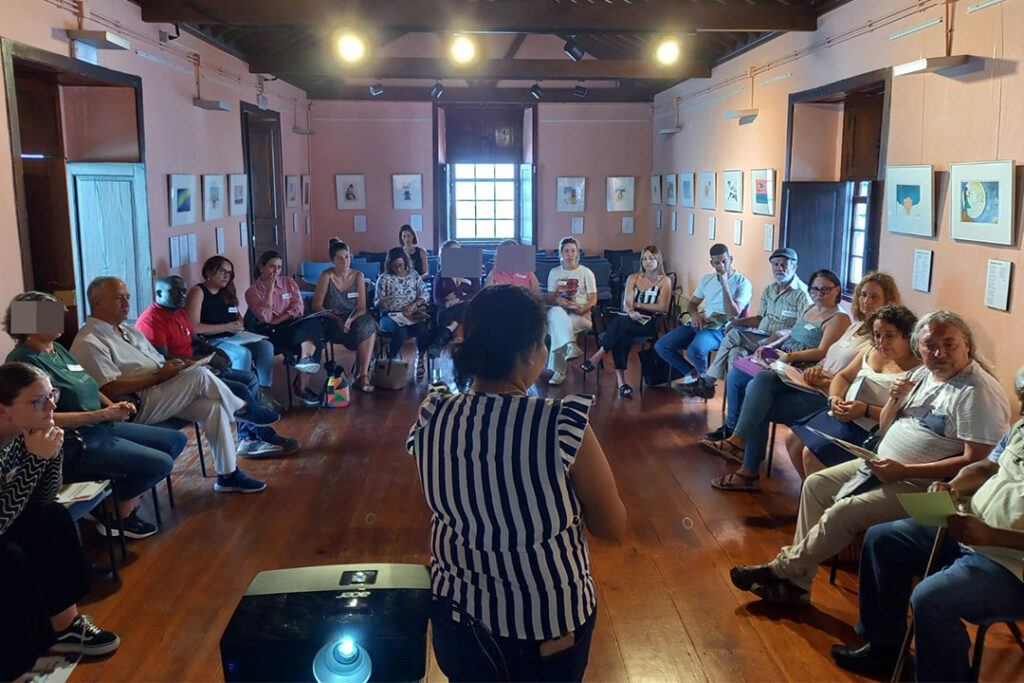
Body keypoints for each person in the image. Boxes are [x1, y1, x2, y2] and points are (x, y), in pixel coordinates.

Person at [407, 285, 625, 681]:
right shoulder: (560, 424)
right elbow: (612, 526)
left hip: (457, 619)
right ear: (530, 352)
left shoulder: (432, 413)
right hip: (547, 629)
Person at [730, 310, 1011, 606]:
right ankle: (798, 584)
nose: (939, 353)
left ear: (966, 343)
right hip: (883, 464)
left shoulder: (976, 392)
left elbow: (979, 463)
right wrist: (895, 400)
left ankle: (782, 570)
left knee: (843, 512)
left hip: (925, 486)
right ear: (919, 347)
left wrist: (905, 470)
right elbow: (887, 425)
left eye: (949, 344)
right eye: (930, 346)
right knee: (815, 485)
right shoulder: (923, 374)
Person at [830, 366, 1024, 681]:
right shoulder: (1021, 428)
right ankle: (884, 649)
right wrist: (954, 486)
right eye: (1021, 398)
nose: (1022, 409)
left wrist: (992, 535)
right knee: (883, 540)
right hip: (973, 534)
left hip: (1012, 565)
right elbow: (986, 467)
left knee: (931, 599)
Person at [5, 291, 188, 539]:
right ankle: (117, 515)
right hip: (76, 437)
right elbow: (43, 418)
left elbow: (87, 381)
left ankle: (113, 504)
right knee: (160, 463)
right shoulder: (23, 361)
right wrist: (102, 414)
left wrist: (113, 407)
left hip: (101, 424)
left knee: (176, 440)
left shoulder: (57, 348)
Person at [70, 276, 267, 494]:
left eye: (128, 297)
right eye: (118, 299)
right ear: (96, 302)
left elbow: (159, 361)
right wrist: (159, 376)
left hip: (161, 392)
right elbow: (109, 388)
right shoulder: (89, 341)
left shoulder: (128, 331)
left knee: (213, 407)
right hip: (134, 406)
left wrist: (176, 367)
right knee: (200, 375)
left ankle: (228, 476)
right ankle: (241, 408)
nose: (126, 304)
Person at [0, 362, 119, 680]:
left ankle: (65, 625)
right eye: (38, 401)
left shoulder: (23, 432)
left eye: (51, 395)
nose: (52, 406)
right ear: (3, 410)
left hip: (7, 514)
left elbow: (44, 497)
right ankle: (13, 666)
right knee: (8, 558)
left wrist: (51, 457)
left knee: (51, 516)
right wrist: (35, 461)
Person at [698, 269, 851, 489]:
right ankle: (733, 431)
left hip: (802, 370)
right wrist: (772, 346)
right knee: (736, 375)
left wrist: (789, 357)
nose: (819, 293)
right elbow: (791, 333)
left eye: (825, 289)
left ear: (837, 290)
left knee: (757, 387)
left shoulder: (839, 318)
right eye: (815, 289)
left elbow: (821, 352)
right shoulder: (810, 308)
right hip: (783, 361)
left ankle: (739, 445)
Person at [137, 276, 299, 457]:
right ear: (158, 293)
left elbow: (195, 340)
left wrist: (215, 352)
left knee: (249, 378)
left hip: (197, 368)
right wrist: (205, 360)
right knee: (240, 389)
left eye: (183, 291)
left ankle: (249, 438)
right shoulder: (152, 320)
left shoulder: (179, 312)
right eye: (174, 291)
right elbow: (163, 359)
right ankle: (255, 436)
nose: (181, 295)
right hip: (180, 379)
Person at [790, 304, 920, 478]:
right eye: (877, 335)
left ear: (907, 335)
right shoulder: (872, 350)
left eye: (889, 335)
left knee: (811, 455)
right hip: (847, 414)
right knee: (792, 438)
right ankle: (808, 490)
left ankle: (819, 491)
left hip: (871, 428)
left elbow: (907, 418)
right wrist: (834, 398)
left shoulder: (918, 370)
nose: (882, 342)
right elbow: (844, 376)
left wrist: (865, 410)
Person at [678, 247, 811, 399]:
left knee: (734, 335)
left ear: (794, 266)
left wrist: (782, 333)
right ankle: (738, 406)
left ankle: (708, 383)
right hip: (761, 336)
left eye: (784, 265)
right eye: (776, 264)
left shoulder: (802, 294)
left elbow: (802, 330)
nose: (779, 268)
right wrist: (737, 322)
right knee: (736, 352)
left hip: (781, 344)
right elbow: (760, 318)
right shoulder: (770, 289)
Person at [655, 244, 751, 393]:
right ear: (712, 263)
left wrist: (725, 283)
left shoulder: (742, 282)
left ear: (731, 259)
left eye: (724, 261)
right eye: (717, 263)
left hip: (722, 327)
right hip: (702, 322)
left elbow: (733, 314)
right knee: (662, 346)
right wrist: (695, 315)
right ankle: (696, 376)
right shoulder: (707, 279)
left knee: (694, 350)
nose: (721, 266)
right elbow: (692, 304)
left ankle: (705, 385)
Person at [579, 245, 671, 397]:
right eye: (644, 259)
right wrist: (631, 311)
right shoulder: (633, 278)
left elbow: (662, 307)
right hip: (630, 318)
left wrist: (638, 305)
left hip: (650, 321)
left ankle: (599, 355)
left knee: (619, 325)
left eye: (651, 258)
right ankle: (621, 383)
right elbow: (626, 304)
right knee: (621, 333)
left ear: (658, 260)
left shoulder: (664, 281)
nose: (647, 262)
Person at [185, 256, 276, 406]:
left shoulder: (226, 292)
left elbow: (236, 314)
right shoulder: (198, 292)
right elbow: (193, 327)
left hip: (234, 337)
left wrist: (239, 323)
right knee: (242, 354)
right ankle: (242, 398)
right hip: (210, 341)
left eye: (229, 273)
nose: (226, 276)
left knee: (266, 347)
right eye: (222, 271)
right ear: (209, 272)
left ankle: (263, 391)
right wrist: (227, 327)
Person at [244, 250, 324, 406]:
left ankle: (305, 360)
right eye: (272, 266)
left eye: (279, 267)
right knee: (314, 341)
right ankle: (301, 387)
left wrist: (280, 318)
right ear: (261, 267)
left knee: (314, 322)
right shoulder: (252, 292)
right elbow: (266, 318)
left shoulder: (288, 282)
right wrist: (269, 291)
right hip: (269, 331)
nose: (276, 271)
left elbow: (299, 308)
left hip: (290, 325)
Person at [311, 238, 379, 393]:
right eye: (340, 258)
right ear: (333, 260)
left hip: (354, 318)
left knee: (369, 324)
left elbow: (362, 308)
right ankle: (356, 375)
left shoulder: (358, 276)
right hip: (332, 319)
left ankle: (362, 375)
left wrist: (350, 320)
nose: (344, 261)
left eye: (347, 257)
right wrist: (337, 319)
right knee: (359, 328)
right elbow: (317, 306)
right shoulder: (326, 276)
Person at [375, 246, 431, 381]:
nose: (398, 269)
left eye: (400, 265)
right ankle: (392, 359)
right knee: (400, 332)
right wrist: (382, 303)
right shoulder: (384, 278)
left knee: (423, 329)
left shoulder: (413, 275)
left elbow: (425, 295)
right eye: (394, 266)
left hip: (411, 313)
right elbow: (376, 302)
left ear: (405, 262)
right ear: (389, 265)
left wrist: (413, 305)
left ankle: (420, 357)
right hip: (390, 315)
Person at [547, 237, 597, 386]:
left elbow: (593, 299)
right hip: (561, 311)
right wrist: (560, 302)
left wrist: (583, 309)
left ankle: (559, 372)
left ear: (577, 253)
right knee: (556, 313)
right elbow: (551, 298)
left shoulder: (586, 272)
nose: (570, 254)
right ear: (561, 253)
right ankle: (571, 345)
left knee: (557, 329)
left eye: (573, 251)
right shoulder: (554, 272)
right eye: (566, 251)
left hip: (581, 314)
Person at [428, 239, 480, 359]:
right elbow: (436, 299)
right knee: (465, 308)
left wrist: (458, 298)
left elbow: (477, 292)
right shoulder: (441, 275)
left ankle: (444, 334)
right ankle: (448, 333)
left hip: (467, 313)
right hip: (446, 312)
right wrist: (448, 303)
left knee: (466, 308)